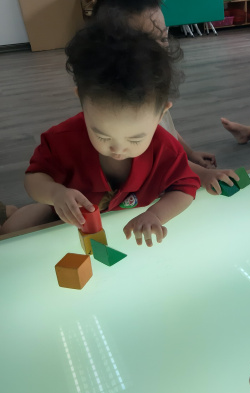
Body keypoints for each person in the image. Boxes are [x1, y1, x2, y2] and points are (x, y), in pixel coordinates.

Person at [8, 22, 201, 246]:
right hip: (65, 216)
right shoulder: (63, 139)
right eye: (102, 136)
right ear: (81, 101)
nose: (118, 148)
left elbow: (186, 187)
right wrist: (54, 193)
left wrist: (155, 215)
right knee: (11, 232)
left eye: (135, 139)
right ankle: (12, 211)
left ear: (161, 114)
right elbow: (33, 178)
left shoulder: (166, 149)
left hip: (116, 223)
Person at [92, 0, 239, 195]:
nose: (161, 49)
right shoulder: (126, 104)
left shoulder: (151, 83)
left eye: (163, 37)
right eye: (146, 42)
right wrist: (203, 174)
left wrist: (189, 153)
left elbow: (166, 129)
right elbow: (159, 154)